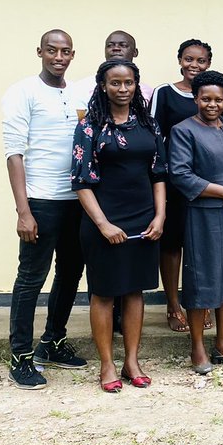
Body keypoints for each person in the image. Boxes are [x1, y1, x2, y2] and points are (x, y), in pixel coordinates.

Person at [72, 59, 167, 392]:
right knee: (104, 293)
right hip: (105, 221)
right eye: (115, 83)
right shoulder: (90, 126)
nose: (123, 89)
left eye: (129, 83)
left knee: (134, 291)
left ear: (136, 85)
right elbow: (81, 182)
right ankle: (107, 365)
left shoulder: (148, 124)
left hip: (143, 220)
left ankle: (131, 361)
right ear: (103, 86)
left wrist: (160, 216)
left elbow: (158, 174)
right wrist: (103, 224)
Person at [1, 29, 88, 390]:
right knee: (31, 279)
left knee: (70, 274)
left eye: (65, 51)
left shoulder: (80, 92)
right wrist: (24, 211)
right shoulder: (22, 92)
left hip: (77, 201)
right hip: (40, 201)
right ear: (40, 51)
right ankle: (19, 356)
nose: (58, 56)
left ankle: (52, 342)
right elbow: (14, 154)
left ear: (72, 55)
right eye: (51, 50)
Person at [167, 71, 223, 373]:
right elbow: (180, 174)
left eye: (218, 99)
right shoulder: (183, 130)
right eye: (206, 98)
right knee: (202, 278)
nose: (212, 104)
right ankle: (198, 348)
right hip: (202, 213)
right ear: (196, 98)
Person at [151, 39, 223, 333]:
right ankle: (174, 305)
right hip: (177, 183)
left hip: (212, 185)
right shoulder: (164, 93)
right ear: (179, 60)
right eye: (189, 59)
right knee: (173, 244)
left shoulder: (215, 93)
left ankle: (204, 303)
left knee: (206, 247)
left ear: (208, 64)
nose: (194, 66)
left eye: (200, 61)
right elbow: (154, 138)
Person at [71, 30, 152, 118]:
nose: (116, 48)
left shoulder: (148, 92)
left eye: (123, 45)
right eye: (110, 45)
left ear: (135, 52)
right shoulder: (82, 87)